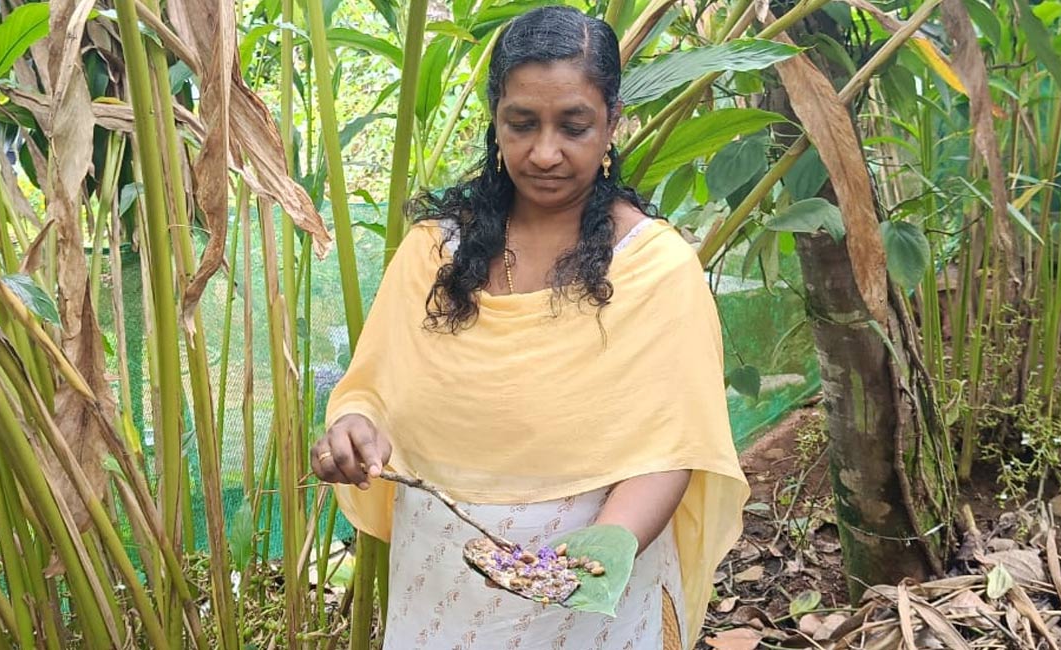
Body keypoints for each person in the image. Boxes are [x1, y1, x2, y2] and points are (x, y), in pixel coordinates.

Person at [310, 6, 749, 648]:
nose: (545, 153)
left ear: (612, 124)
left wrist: (599, 553)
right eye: (522, 124)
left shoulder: (657, 268)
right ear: (496, 120)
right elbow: (371, 391)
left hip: (594, 584)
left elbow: (675, 444)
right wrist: (350, 431)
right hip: (440, 575)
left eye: (574, 126)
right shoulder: (435, 252)